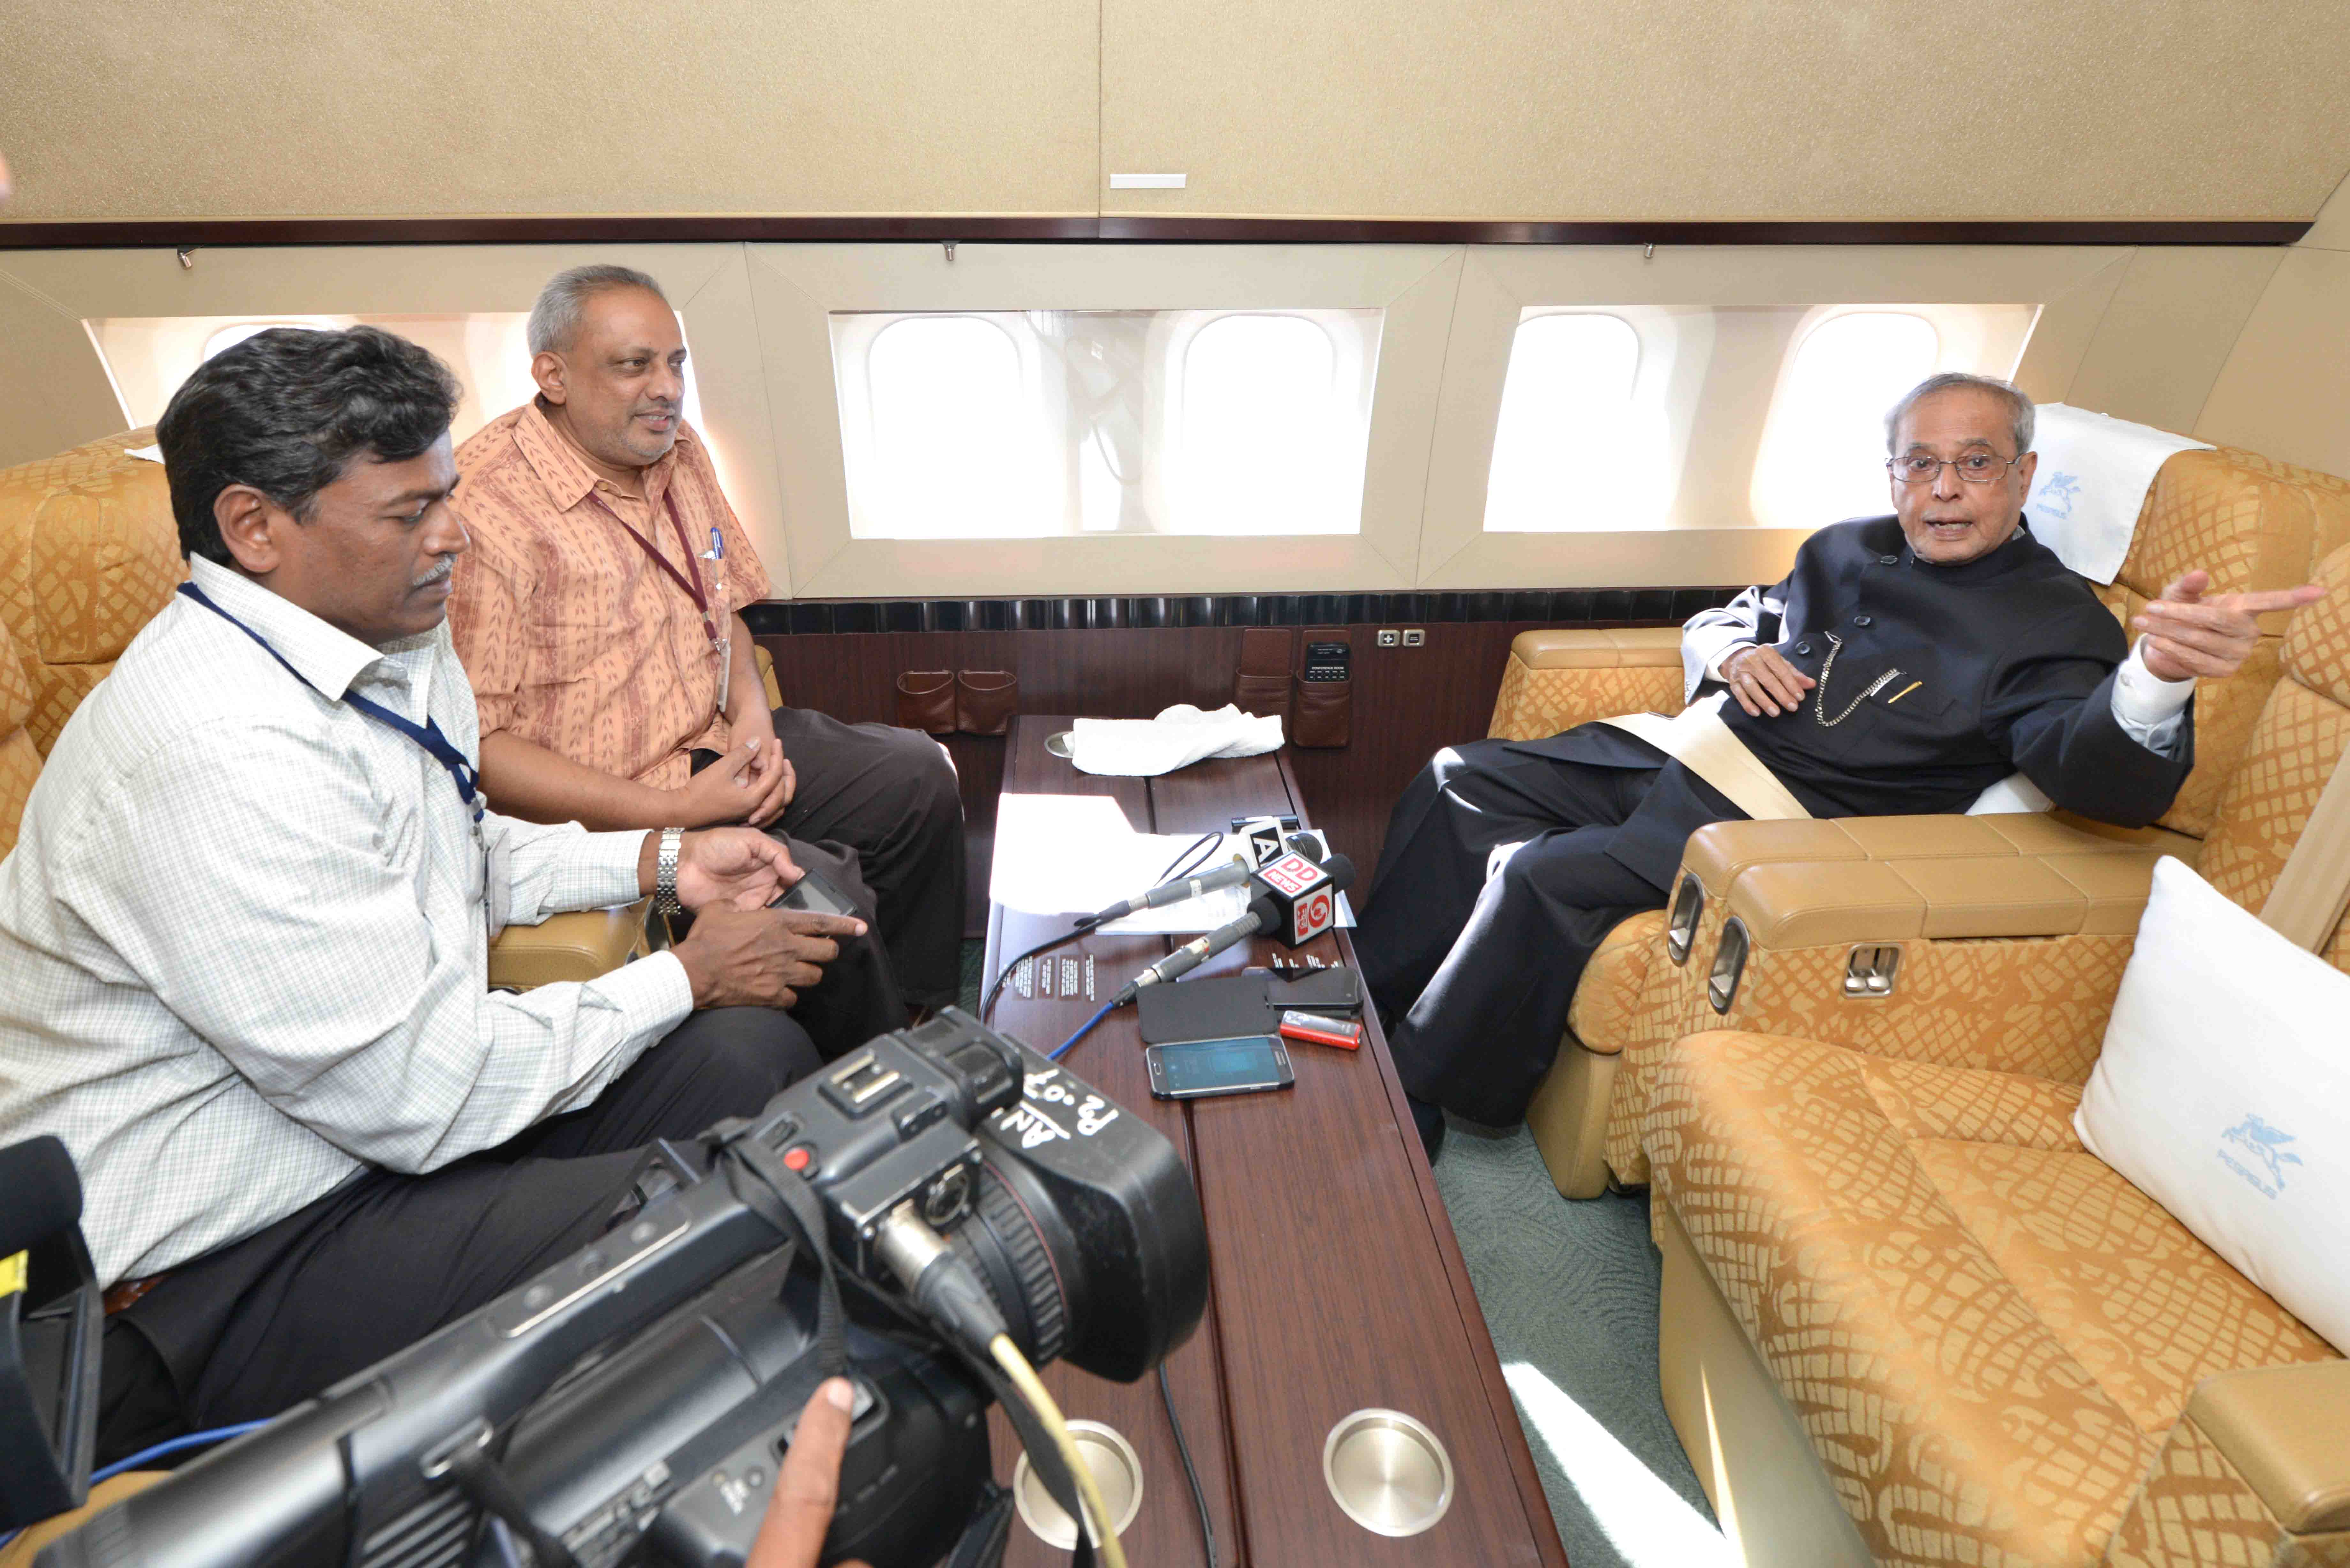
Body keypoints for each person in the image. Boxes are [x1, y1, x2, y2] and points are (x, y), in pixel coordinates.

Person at [0, 326, 879, 1461]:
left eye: (448, 495)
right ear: (254, 528)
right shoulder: (213, 749)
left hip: (362, 1130)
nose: (455, 536)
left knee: (750, 1054)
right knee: (707, 1219)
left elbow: (455, 848)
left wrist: (667, 861)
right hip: (214, 1264)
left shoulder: (382, 636)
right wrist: (683, 973)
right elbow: (425, 1091)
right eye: (408, 513)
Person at [1357, 371, 2321, 1158]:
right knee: (1457, 775)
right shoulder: (1844, 546)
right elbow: (1746, 610)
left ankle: (1413, 1094)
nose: (1943, 490)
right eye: (1921, 464)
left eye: (1975, 465)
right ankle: (1364, 994)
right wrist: (1735, 652)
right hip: (1687, 745)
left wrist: (2152, 676)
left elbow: (2096, 775)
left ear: (2024, 478)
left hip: (1778, 819)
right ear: (1894, 474)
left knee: (1539, 874)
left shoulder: (2056, 622)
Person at [447, 265, 966, 1017]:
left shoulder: (677, 447)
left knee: (917, 777)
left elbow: (719, 606)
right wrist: (687, 806)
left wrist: (755, 731)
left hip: (716, 744)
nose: (666, 388)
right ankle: (879, 1079)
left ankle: (925, 1015)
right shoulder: (482, 512)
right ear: (552, 376)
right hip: (609, 801)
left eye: (675, 362)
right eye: (634, 365)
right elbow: (480, 750)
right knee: (824, 893)